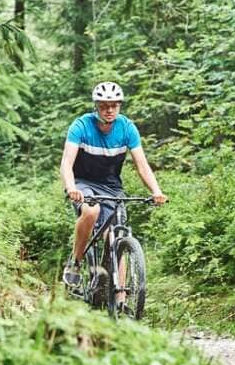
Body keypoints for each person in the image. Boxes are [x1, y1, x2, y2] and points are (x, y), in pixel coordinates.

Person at [61, 81, 167, 288]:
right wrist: (71, 187)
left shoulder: (127, 128)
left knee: (117, 235)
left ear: (119, 106)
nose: (109, 110)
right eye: (103, 105)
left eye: (114, 105)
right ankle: (75, 263)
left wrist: (156, 191)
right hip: (83, 183)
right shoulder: (81, 126)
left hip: (112, 187)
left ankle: (120, 299)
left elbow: (142, 165)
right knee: (91, 212)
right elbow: (66, 162)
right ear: (96, 106)